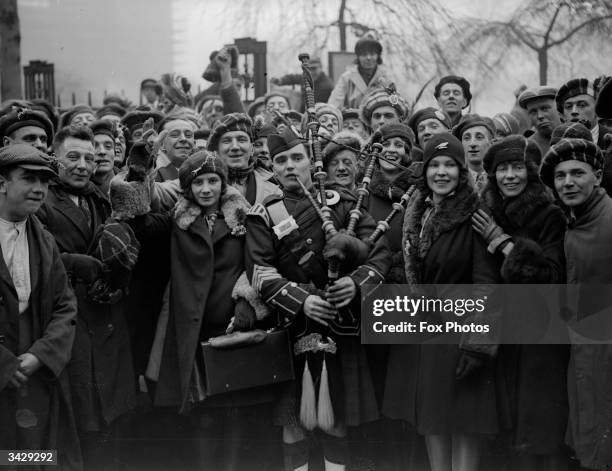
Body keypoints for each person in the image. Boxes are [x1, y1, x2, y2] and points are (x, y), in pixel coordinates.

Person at [245, 126, 390, 471]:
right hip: (292, 328)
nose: (290, 166)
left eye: (297, 157)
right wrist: (301, 300)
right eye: (281, 160)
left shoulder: (345, 205)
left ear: (311, 162)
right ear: (273, 167)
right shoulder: (264, 213)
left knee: (335, 419)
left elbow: (380, 255)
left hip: (341, 325)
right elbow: (260, 271)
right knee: (292, 424)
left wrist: (355, 285)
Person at [123, 150, 275, 471]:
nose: (206, 189)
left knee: (234, 414)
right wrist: (138, 178)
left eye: (213, 181)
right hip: (194, 329)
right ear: (187, 188)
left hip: (233, 323)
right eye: (198, 183)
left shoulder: (243, 216)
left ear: (223, 183)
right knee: (202, 414)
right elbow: (141, 224)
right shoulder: (178, 219)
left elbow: (258, 261)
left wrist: (248, 301)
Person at [384, 132, 502, 471]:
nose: (441, 172)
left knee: (463, 427)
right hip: (425, 335)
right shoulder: (416, 212)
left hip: (461, 337)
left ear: (461, 171)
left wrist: (478, 344)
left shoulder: (474, 213)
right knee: (433, 425)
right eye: (434, 164)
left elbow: (487, 285)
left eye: (450, 164)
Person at [36, 125, 136, 471]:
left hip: (107, 317)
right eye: (73, 157)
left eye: (89, 158)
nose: (82, 165)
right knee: (77, 421)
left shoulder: (102, 197)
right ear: (55, 159)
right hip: (70, 322)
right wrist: (74, 264)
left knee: (111, 420)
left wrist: (119, 282)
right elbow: (34, 257)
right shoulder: (42, 199)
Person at [473, 135, 569, 471]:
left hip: (540, 337)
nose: (510, 176)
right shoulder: (484, 213)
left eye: (517, 168)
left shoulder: (550, 215)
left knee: (537, 429)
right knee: (503, 425)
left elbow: (550, 276)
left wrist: (503, 243)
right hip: (501, 333)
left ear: (529, 173)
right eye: (503, 170)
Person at [0, 144, 81, 470]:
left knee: (33, 457)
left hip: (33, 375)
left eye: (45, 182)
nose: (38, 189)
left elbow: (65, 305)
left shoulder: (43, 238)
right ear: (2, 182)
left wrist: (40, 354)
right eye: (28, 179)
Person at [539, 138, 612, 471]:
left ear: (597, 176)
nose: (568, 182)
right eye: (560, 176)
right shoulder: (572, 223)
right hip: (584, 355)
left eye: (577, 173)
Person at [207, 113, 280, 205]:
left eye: (241, 140)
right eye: (227, 141)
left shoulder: (275, 190)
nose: (235, 147)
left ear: (252, 148)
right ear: (217, 150)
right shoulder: (203, 187)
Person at [328, 33, 393, 109]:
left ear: (378, 56)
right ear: (358, 57)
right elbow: (334, 104)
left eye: (372, 54)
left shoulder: (385, 78)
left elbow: (394, 104)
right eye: (364, 54)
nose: (368, 58)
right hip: (353, 119)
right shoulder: (347, 78)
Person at [556, 78, 612, 150]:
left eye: (582, 105)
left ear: (596, 110)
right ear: (562, 116)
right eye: (568, 106)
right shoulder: (556, 145)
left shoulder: (610, 139)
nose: (574, 111)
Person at [453, 114, 496, 195]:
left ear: (491, 143)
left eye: (479, 137)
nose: (472, 144)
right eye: (466, 138)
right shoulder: (453, 180)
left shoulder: (500, 178)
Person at [518, 86, 561, 157]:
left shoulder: (577, 136)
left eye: (544, 109)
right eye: (533, 112)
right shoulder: (526, 148)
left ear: (559, 108)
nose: (540, 116)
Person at [90, 119, 120, 195]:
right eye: (94, 146)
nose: (102, 152)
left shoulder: (130, 182)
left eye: (108, 146)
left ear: (114, 152)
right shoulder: (76, 188)